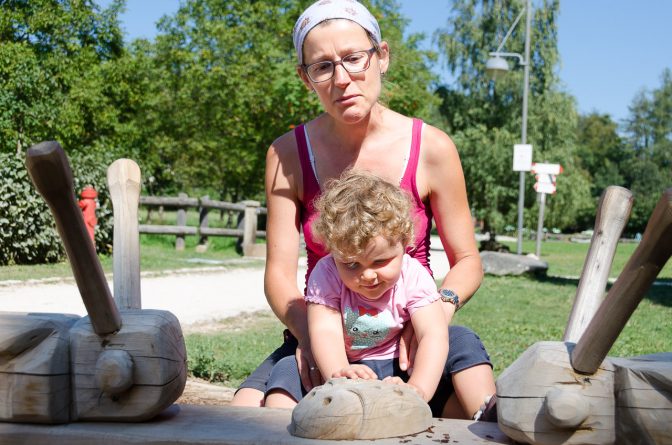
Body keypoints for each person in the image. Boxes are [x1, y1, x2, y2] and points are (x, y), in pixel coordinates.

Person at [231, 0, 497, 420]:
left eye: (354, 59)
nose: (342, 79)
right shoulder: (287, 154)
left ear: (382, 57)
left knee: (468, 384)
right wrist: (316, 340)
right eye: (322, 67)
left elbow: (467, 260)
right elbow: (279, 275)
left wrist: (430, 317)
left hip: (411, 326)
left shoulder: (432, 148)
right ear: (306, 78)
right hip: (326, 326)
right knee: (245, 412)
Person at [264, 170, 449, 408]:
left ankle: (484, 411)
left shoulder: (413, 274)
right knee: (287, 368)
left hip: (398, 366)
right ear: (333, 251)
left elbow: (432, 334)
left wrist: (418, 388)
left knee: (462, 341)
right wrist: (340, 374)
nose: (367, 275)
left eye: (380, 262)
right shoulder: (327, 273)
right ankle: (280, 428)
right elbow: (325, 332)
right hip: (345, 362)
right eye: (351, 264)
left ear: (404, 243)